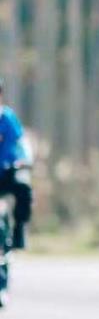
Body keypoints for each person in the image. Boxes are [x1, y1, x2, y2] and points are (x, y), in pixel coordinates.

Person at [0, 77, 33, 251]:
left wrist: (25, 160)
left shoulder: (7, 118)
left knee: (24, 189)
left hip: (7, 172)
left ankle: (19, 231)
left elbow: (21, 142)